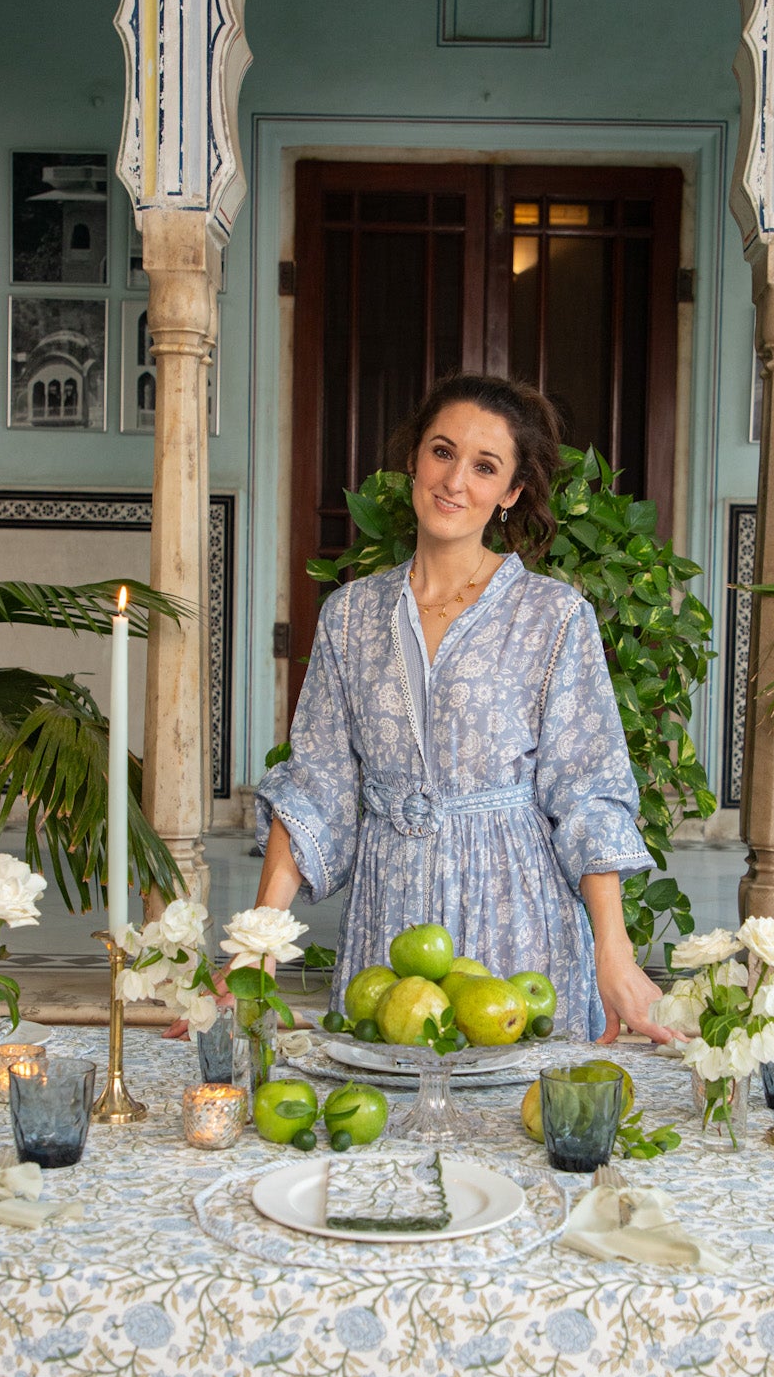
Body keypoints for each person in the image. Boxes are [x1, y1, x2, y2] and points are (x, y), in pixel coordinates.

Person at [252, 374, 673, 1046]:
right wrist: (255, 949)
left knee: (514, 1122)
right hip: (389, 913)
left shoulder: (552, 617)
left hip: (518, 908)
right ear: (413, 461)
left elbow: (588, 791)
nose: (454, 481)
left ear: (509, 493)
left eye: (485, 467)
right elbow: (315, 785)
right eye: (442, 453)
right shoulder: (350, 616)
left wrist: (612, 951)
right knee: (383, 1121)